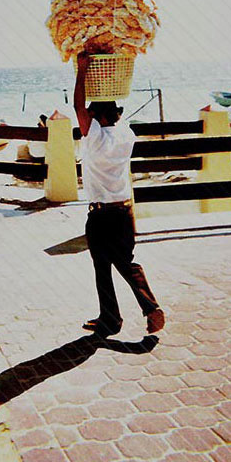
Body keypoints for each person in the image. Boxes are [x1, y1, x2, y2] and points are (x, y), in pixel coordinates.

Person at [74, 51, 165, 336]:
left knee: (103, 267)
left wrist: (82, 69)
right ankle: (134, 312)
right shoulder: (127, 134)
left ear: (98, 117)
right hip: (125, 211)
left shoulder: (96, 137)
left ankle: (119, 317)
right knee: (126, 262)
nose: (86, 115)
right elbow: (107, 113)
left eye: (91, 114)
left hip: (101, 215)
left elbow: (77, 105)